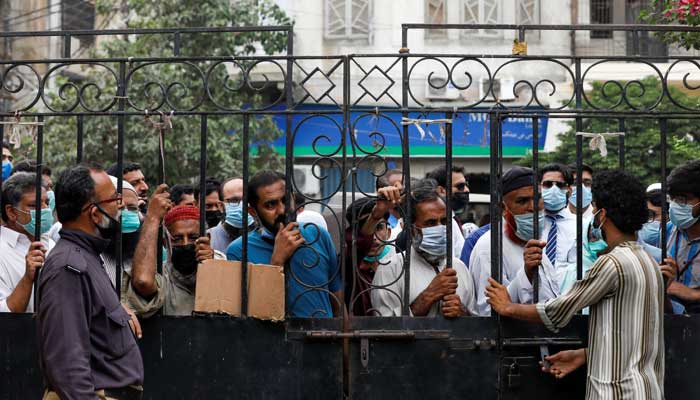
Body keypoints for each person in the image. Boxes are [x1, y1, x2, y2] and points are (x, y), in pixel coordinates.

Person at [486, 169, 671, 400]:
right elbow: (629, 334)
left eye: (594, 207)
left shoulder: (612, 263)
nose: (591, 212)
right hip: (647, 388)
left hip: (616, 391)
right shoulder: (647, 261)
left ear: (602, 215)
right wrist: (584, 354)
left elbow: (557, 311)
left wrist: (508, 307)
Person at [37, 164, 144, 399]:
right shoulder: (69, 266)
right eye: (114, 200)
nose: (121, 208)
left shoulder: (86, 258)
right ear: (95, 214)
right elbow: (67, 363)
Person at [226, 171, 342, 318]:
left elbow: (337, 301)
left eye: (286, 200)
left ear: (293, 198)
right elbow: (247, 315)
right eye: (270, 205)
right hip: (274, 339)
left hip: (324, 337)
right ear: (253, 212)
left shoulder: (317, 234)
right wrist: (277, 261)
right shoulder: (239, 251)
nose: (282, 210)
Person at [371, 185, 477, 317]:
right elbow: (384, 328)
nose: (440, 228)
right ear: (412, 230)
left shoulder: (459, 268)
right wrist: (428, 296)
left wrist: (462, 313)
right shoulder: (391, 269)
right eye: (431, 223)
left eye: (444, 221)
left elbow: (475, 323)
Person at [469, 166, 559, 316]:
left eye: (538, 198)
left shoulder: (535, 240)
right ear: (504, 208)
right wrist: (526, 274)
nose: (533, 207)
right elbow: (488, 312)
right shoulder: (490, 248)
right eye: (522, 201)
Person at [127, 204, 222, 317]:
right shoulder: (160, 275)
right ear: (165, 243)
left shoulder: (221, 265)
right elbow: (143, 282)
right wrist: (153, 218)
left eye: (193, 237)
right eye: (177, 239)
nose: (185, 244)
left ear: (207, 238)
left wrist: (209, 265)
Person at [0, 172, 54, 312]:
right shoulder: (2, 250)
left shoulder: (51, 243)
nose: (45, 209)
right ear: (11, 212)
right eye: (34, 205)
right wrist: (27, 278)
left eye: (46, 203)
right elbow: (4, 314)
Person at [344, 186, 400, 316]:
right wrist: (375, 217)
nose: (373, 238)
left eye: (379, 227)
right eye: (366, 228)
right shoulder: (347, 265)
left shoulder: (400, 263)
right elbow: (360, 244)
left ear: (389, 231)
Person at [664, 160, 700, 313]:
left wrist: (694, 294)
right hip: (670, 316)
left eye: (682, 199)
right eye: (672, 199)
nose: (674, 205)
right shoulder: (666, 232)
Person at [101, 176, 142, 300]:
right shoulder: (92, 255)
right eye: (121, 207)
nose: (127, 212)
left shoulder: (141, 251)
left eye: (132, 208)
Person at [540, 164, 577, 274]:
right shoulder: (529, 224)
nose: (554, 189)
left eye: (560, 185)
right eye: (548, 184)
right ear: (539, 188)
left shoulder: (579, 225)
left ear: (569, 191)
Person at [425, 164, 469, 256]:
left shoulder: (452, 219)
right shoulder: (438, 223)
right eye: (460, 186)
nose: (466, 190)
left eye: (466, 185)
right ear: (441, 190)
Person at [209, 178, 256, 253]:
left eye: (247, 200)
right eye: (234, 200)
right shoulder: (208, 239)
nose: (242, 205)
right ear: (220, 206)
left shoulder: (266, 239)